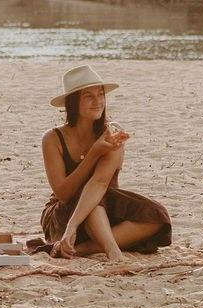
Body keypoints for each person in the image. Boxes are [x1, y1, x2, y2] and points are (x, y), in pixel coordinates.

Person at [39, 64, 171, 262]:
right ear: (72, 103)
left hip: (105, 209)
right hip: (64, 212)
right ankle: (113, 252)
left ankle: (82, 249)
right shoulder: (52, 138)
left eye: (101, 95)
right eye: (88, 96)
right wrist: (94, 154)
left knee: (157, 216)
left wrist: (73, 227)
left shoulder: (112, 132)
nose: (98, 101)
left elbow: (100, 183)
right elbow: (63, 193)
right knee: (91, 200)